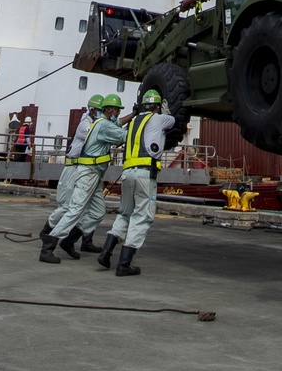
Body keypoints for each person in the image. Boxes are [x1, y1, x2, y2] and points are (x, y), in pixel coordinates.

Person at [97, 88, 181, 276]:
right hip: (144, 174)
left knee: (125, 213)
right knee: (142, 216)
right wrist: (166, 111)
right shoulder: (158, 118)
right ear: (157, 106)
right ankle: (124, 264)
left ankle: (106, 251)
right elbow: (173, 121)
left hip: (127, 173)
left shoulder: (134, 121)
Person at [39, 94, 127, 264]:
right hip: (88, 173)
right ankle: (48, 246)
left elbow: (117, 127)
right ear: (108, 109)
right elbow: (123, 136)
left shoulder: (100, 123)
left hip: (94, 174)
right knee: (74, 209)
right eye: (116, 109)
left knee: (97, 211)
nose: (117, 112)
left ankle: (69, 240)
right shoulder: (102, 126)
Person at [38, 96, 103, 247]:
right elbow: (96, 137)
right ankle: (46, 231)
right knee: (67, 206)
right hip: (73, 168)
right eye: (100, 111)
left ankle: (75, 240)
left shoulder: (94, 124)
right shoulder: (84, 125)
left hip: (84, 169)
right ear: (92, 110)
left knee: (85, 207)